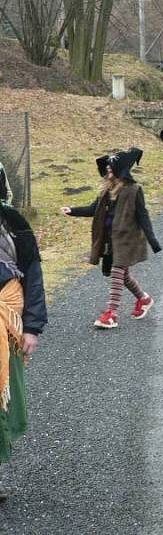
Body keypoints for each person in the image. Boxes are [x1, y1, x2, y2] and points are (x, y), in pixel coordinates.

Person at [60, 148, 161, 329]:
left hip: (127, 239)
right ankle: (144, 299)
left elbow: (143, 216)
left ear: (120, 170)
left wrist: (152, 240)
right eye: (107, 169)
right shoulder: (107, 190)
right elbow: (93, 209)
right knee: (123, 275)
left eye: (111, 169)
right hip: (110, 239)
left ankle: (111, 314)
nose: (108, 172)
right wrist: (72, 210)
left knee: (117, 272)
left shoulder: (134, 190)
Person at [0, 195, 47, 500]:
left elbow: (33, 275)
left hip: (8, 323)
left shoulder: (13, 223)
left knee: (2, 398)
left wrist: (32, 327)